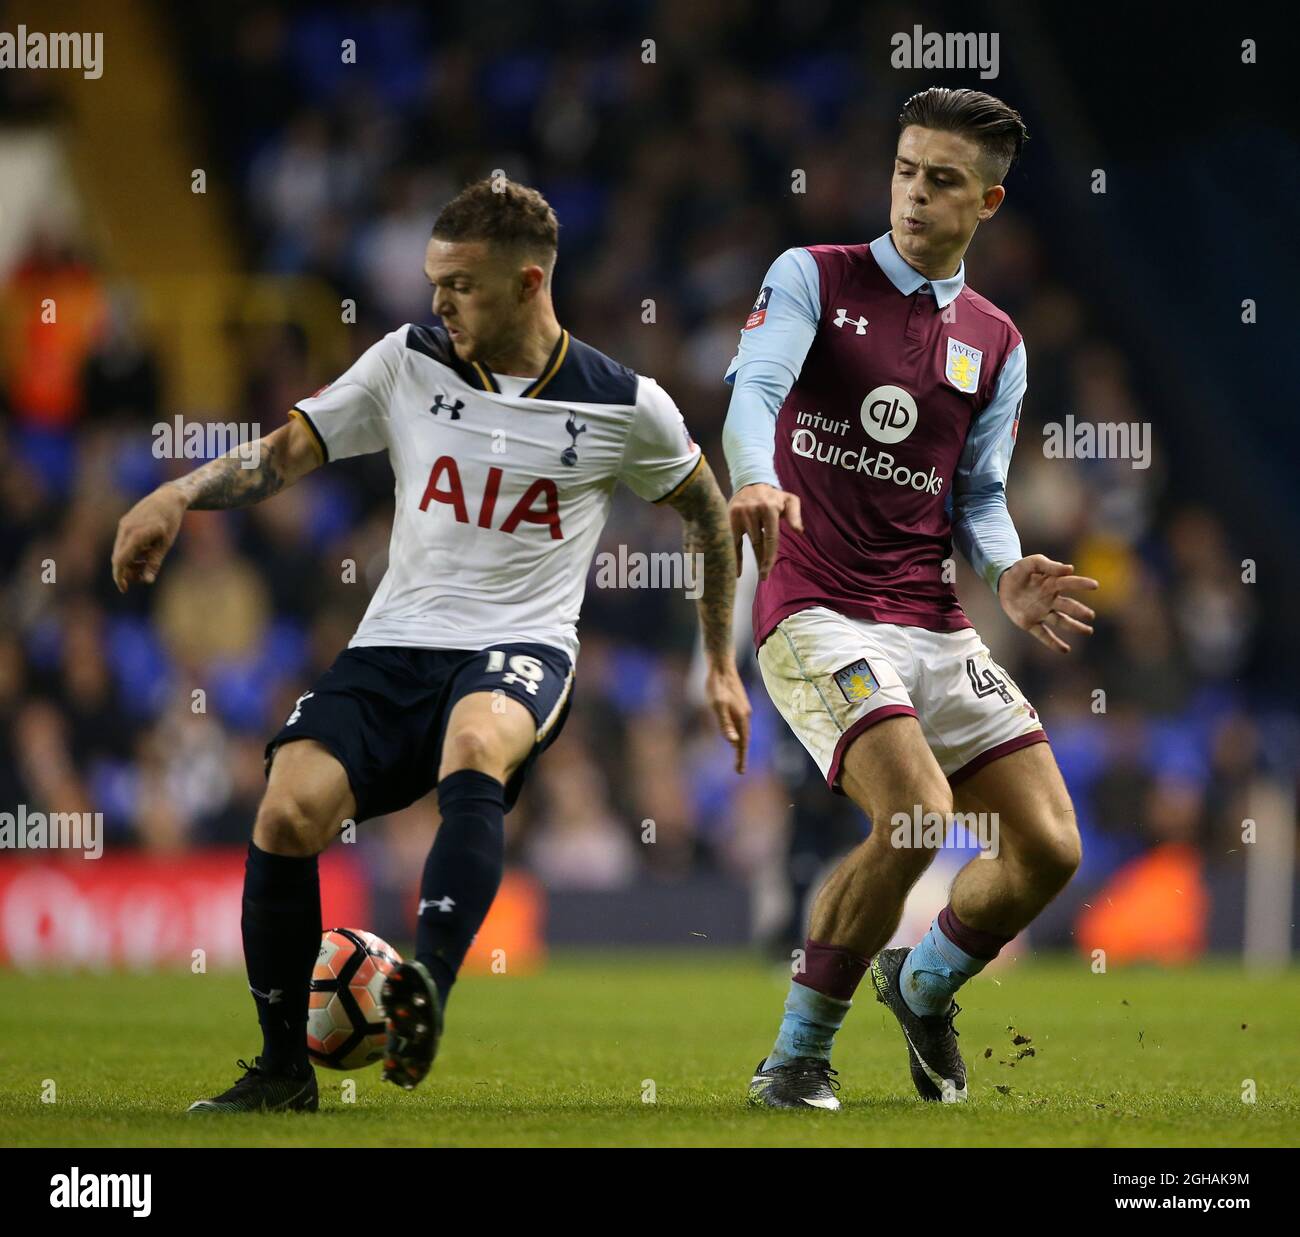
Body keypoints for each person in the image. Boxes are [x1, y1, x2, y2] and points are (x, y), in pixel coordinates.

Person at [112, 178, 750, 1113]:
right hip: (395, 643)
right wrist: (179, 494)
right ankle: (283, 1069)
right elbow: (287, 452)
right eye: (432, 281)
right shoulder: (407, 363)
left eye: (459, 284)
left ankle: (429, 990)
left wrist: (722, 661)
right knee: (288, 810)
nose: (438, 301)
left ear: (530, 283)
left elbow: (708, 514)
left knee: (476, 744)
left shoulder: (624, 404)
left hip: (521, 645)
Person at [724, 89, 1097, 1109]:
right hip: (817, 606)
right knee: (918, 817)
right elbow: (753, 389)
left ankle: (921, 980)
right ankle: (797, 1053)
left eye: (941, 181)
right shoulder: (813, 276)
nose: (914, 195)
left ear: (987, 201)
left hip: (930, 616)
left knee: (1051, 847)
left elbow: (975, 491)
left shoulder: (997, 340)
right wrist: (755, 474)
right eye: (904, 171)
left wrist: (1008, 568)